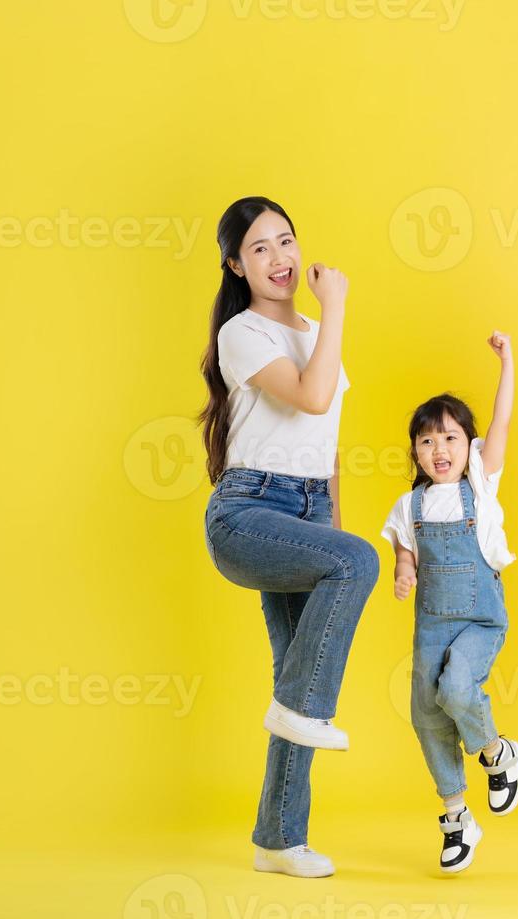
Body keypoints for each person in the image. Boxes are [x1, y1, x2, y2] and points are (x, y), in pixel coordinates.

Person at [200, 196, 379, 878]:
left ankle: (277, 837)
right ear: (236, 266)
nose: (279, 259)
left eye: (286, 242)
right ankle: (303, 713)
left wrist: (330, 527)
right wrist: (336, 306)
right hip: (247, 513)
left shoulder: (313, 329)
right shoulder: (244, 333)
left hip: (306, 513)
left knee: (292, 682)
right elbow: (309, 396)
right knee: (306, 692)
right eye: (260, 249)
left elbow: (325, 441)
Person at [381, 333, 518, 873]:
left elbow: (503, 422)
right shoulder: (408, 503)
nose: (439, 451)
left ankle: (497, 753)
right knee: (427, 714)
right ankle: (457, 816)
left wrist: (507, 362)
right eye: (426, 442)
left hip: (480, 620)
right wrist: (403, 570)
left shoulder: (481, 486)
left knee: (457, 688)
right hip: (431, 628)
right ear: (415, 452)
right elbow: (404, 546)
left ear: (470, 447)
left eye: (451, 439)